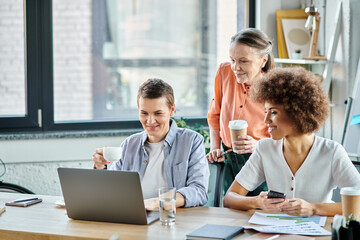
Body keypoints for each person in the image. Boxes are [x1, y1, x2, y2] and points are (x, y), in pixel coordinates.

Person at [223, 67, 360, 216]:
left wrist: (314, 208)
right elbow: (230, 198)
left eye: (273, 112)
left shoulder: (332, 152)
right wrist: (257, 202)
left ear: (297, 113)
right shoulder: (265, 148)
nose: (266, 120)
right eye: (266, 111)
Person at [93, 78, 209, 210]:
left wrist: (156, 203)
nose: (150, 121)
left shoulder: (192, 141)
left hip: (172, 219)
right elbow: (111, 190)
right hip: (135, 218)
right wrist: (100, 167)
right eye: (144, 113)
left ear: (171, 110)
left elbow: (199, 191)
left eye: (158, 113)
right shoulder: (129, 144)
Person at [207, 28, 274, 195]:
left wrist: (257, 145)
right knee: (229, 211)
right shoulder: (224, 72)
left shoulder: (274, 87)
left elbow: (284, 137)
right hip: (229, 158)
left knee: (257, 212)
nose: (236, 67)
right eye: (232, 60)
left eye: (244, 61)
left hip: (260, 160)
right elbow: (215, 114)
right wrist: (215, 147)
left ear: (263, 60)